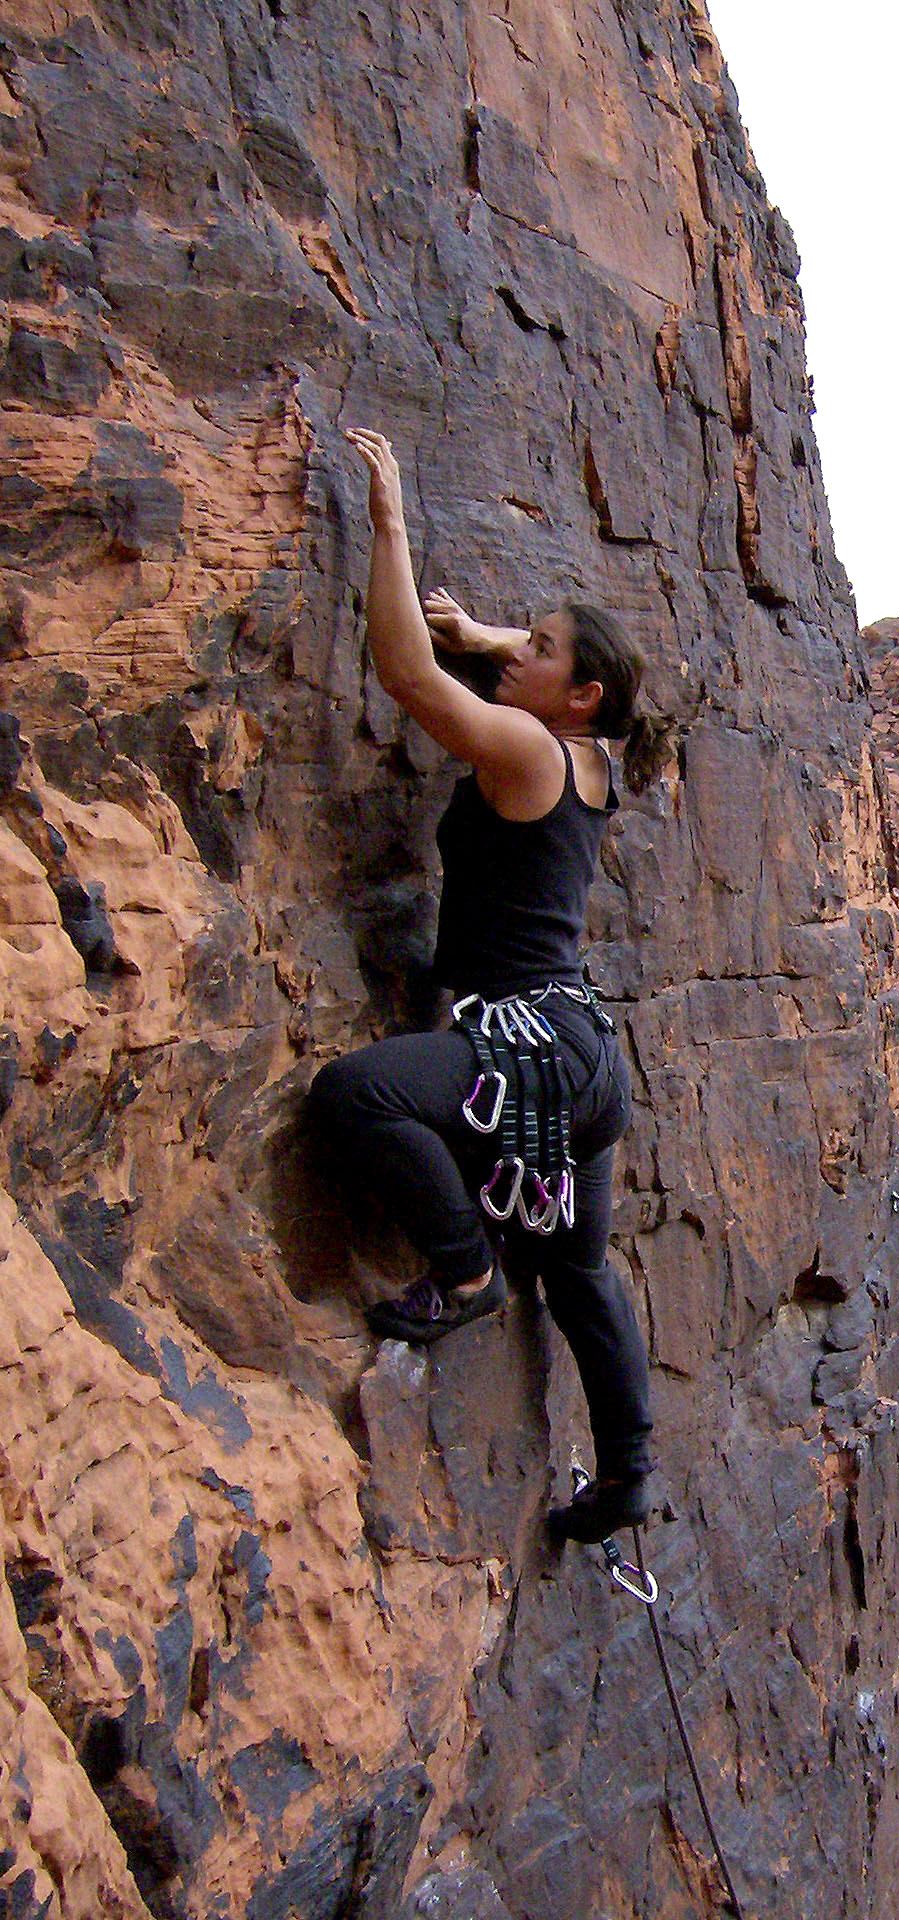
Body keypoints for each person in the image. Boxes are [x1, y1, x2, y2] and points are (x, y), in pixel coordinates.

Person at [309, 426, 653, 1543]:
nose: (513, 653)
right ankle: (627, 1479)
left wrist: (394, 520)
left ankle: (462, 1278)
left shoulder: (524, 749)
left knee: (353, 1097)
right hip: (586, 1065)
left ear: (578, 691)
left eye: (537, 648)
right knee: (581, 1275)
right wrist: (493, 634)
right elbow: (592, 687)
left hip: (520, 1048)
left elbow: (407, 675)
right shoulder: (600, 762)